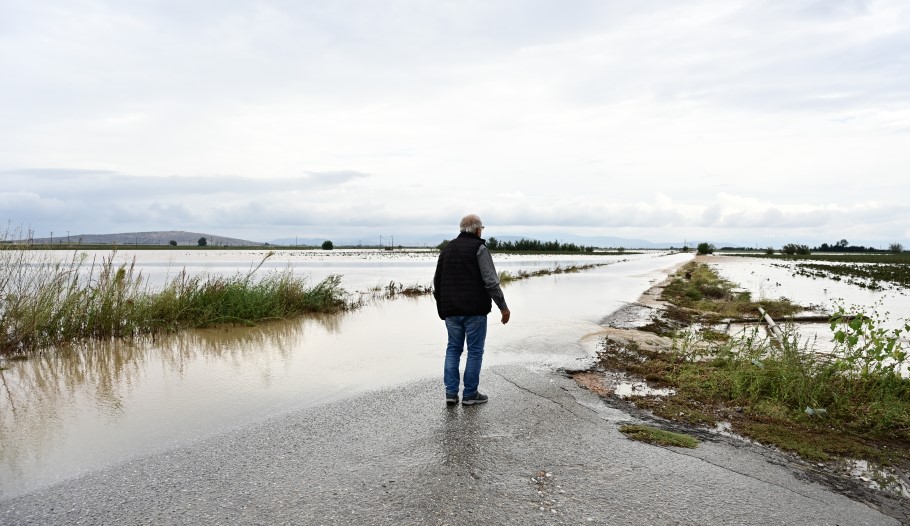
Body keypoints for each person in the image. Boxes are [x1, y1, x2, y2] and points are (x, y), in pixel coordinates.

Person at [433, 214, 510, 406]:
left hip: (451, 311)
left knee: (453, 349)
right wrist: (503, 307)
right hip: (475, 311)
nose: (481, 232)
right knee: (475, 352)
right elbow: (491, 281)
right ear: (477, 230)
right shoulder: (479, 248)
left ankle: (451, 394)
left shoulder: (447, 249)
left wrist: (442, 309)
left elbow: (437, 282)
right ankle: (470, 394)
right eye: (481, 229)